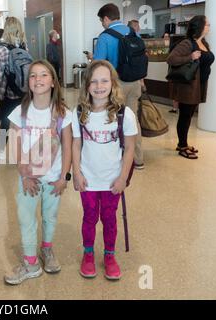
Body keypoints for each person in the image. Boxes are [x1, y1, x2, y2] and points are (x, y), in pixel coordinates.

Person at [4, 60, 72, 285]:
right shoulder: (20, 112)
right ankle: (30, 262)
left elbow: (68, 146)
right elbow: (13, 145)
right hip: (28, 180)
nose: (38, 79)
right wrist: (24, 175)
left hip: (53, 180)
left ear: (53, 81)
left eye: (44, 75)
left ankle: (47, 250)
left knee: (50, 218)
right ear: (28, 82)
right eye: (33, 76)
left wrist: (63, 177)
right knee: (26, 220)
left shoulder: (62, 113)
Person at [71, 60, 137, 280]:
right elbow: (76, 144)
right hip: (88, 180)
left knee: (109, 218)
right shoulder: (79, 112)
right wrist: (77, 173)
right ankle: (88, 254)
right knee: (89, 217)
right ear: (87, 85)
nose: (99, 86)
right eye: (94, 81)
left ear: (113, 83)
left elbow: (129, 149)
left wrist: (123, 178)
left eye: (104, 81)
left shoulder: (124, 114)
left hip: (112, 181)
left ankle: (109, 255)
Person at [87, 3, 145, 170]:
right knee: (132, 119)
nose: (102, 24)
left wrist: (92, 58)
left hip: (116, 85)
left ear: (106, 18)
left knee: (113, 120)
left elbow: (98, 65)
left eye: (101, 21)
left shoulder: (105, 36)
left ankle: (117, 157)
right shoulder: (133, 32)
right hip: (134, 83)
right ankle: (138, 158)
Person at [167, 15, 214, 160]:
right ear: (200, 26)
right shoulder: (188, 43)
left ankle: (183, 144)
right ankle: (182, 146)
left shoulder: (204, 43)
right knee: (185, 116)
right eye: (207, 24)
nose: (209, 26)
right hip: (188, 86)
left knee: (189, 115)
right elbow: (171, 59)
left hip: (199, 85)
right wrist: (190, 57)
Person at [0, 17, 27, 152]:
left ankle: (0, 150)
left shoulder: (2, 50)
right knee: (24, 122)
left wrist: (1, 95)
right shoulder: (24, 47)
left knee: (5, 124)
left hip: (9, 95)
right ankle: (24, 150)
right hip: (24, 93)